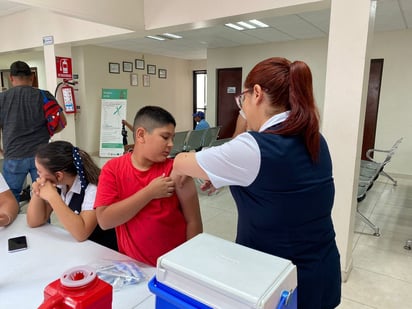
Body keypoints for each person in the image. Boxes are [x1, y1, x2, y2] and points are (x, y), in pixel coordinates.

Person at [173, 57, 341, 309]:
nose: (243, 108)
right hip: (322, 269)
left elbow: (181, 161)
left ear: (258, 94)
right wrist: (229, 177)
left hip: (277, 279)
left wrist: (204, 168)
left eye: (243, 100)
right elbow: (283, 188)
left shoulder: (253, 146)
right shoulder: (315, 137)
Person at [95, 106, 203, 266]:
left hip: (173, 264)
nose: (171, 144)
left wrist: (186, 264)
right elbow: (104, 221)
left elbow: (193, 222)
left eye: (172, 138)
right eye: (165, 137)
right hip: (133, 267)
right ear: (141, 135)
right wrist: (149, 193)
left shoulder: (176, 170)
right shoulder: (113, 169)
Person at [26, 141, 117, 250]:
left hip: (106, 249)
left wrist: (52, 197)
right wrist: (38, 192)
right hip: (84, 248)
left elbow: (82, 233)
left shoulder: (93, 188)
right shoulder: (61, 184)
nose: (38, 175)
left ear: (59, 175)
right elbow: (34, 221)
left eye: (40, 171)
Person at [0, 60, 67, 203]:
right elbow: (62, 122)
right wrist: (49, 134)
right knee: (43, 194)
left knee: (10, 198)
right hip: (41, 155)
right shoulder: (43, 95)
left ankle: (11, 224)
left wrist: (1, 151)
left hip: (13, 154)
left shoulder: (2, 98)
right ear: (32, 77)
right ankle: (42, 223)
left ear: (11, 78)